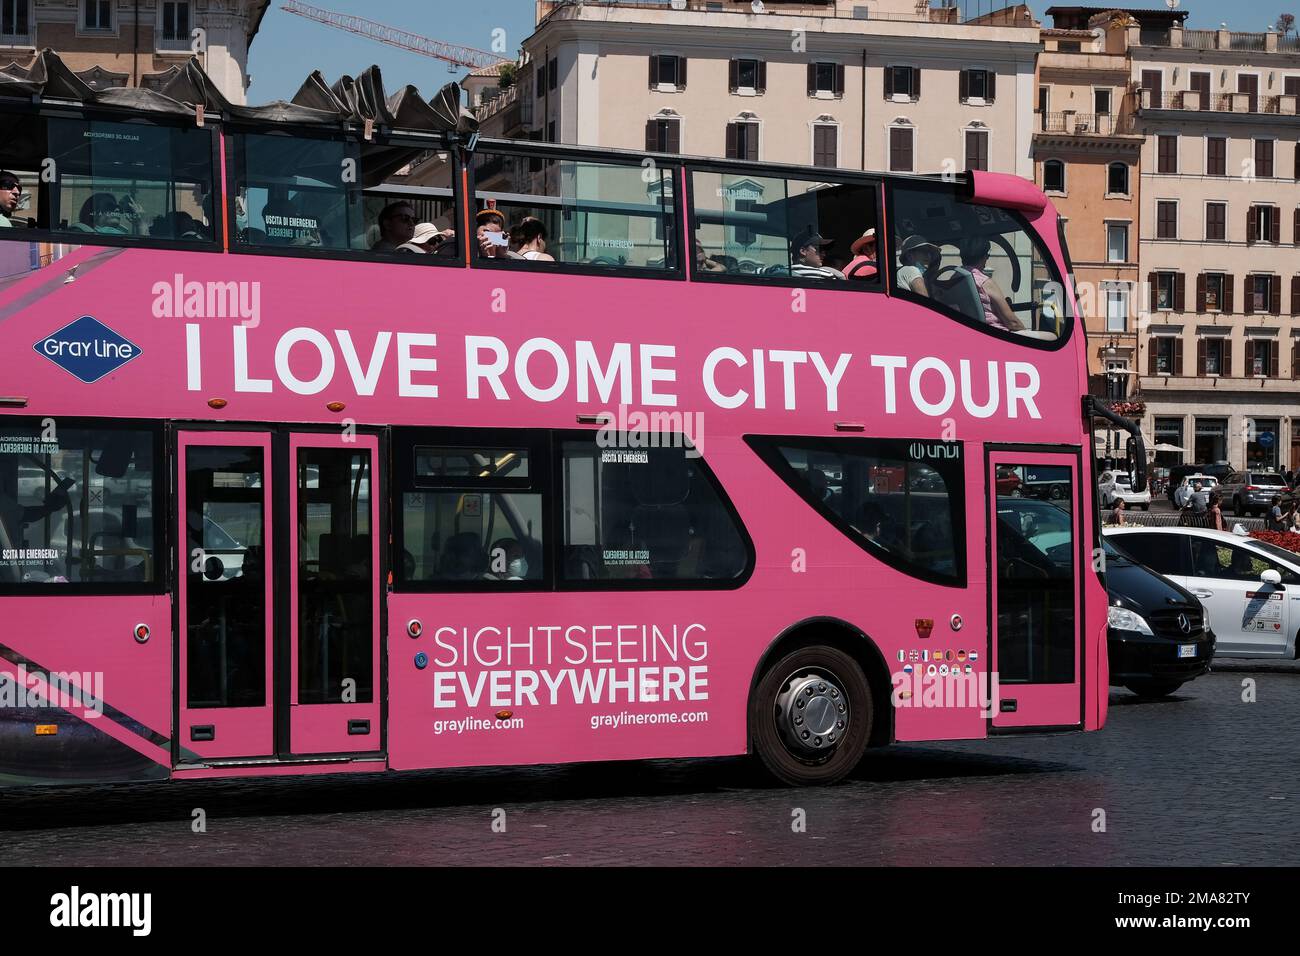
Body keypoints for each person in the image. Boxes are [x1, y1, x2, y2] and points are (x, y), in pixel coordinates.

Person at [961, 236, 1024, 331]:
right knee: (1050, 337)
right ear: (983, 256)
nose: (987, 259)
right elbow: (1013, 323)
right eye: (987, 255)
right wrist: (1024, 330)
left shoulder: (955, 279)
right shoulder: (984, 282)